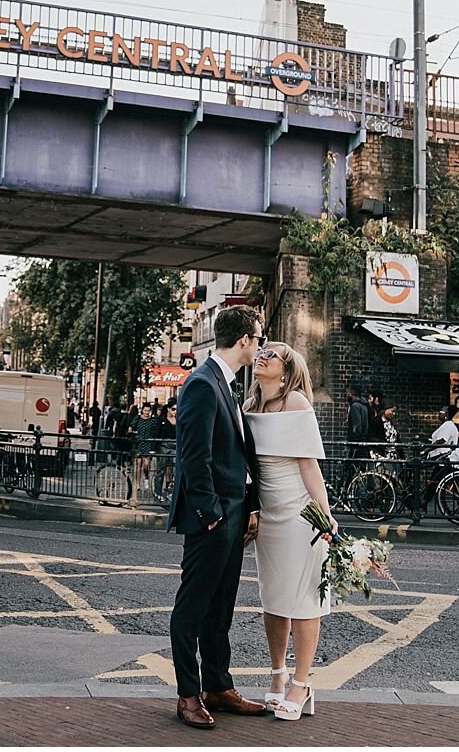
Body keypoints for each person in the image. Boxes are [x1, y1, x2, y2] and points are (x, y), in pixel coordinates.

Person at [166, 304, 268, 729]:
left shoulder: (223, 384)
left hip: (234, 513)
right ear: (244, 340)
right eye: (258, 338)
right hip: (214, 519)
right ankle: (188, 695)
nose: (260, 346)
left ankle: (218, 687)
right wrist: (211, 515)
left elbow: (237, 453)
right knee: (191, 608)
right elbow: (194, 458)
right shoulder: (202, 384)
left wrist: (252, 505)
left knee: (221, 606)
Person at [243, 340, 332, 723]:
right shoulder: (249, 407)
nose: (262, 355)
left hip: (299, 515)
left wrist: (325, 517)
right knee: (274, 598)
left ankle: (302, 682)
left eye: (272, 354)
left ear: (287, 369)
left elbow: (309, 466)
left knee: (304, 600)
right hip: (268, 518)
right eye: (261, 350)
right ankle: (278, 675)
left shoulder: (297, 403)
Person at [423, 405, 459, 505]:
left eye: (441, 412)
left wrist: (425, 450)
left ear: (446, 415)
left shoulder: (448, 425)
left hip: (446, 459)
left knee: (434, 481)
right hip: (445, 459)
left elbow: (441, 440)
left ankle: (423, 503)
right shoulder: (447, 425)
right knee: (436, 481)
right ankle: (424, 502)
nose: (439, 414)